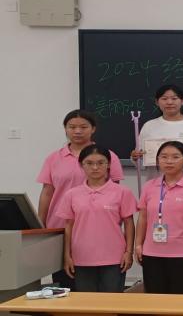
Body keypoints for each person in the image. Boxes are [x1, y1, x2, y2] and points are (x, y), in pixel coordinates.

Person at [37, 110, 124, 289]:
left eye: (83, 127)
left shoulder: (107, 156)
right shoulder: (54, 158)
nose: (77, 131)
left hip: (97, 229)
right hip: (60, 227)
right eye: (72, 127)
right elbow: (47, 192)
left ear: (93, 129)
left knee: (101, 285)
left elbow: (115, 193)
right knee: (66, 283)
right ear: (65, 129)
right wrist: (40, 224)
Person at [57, 145, 137, 292]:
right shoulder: (72, 194)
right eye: (89, 163)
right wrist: (67, 255)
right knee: (86, 301)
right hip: (81, 257)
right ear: (81, 165)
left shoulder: (122, 192)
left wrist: (128, 252)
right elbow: (68, 226)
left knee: (111, 301)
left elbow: (129, 223)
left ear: (109, 164)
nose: (95, 167)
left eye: (101, 163)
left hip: (114, 258)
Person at [134, 141, 183, 294]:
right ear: (157, 160)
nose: (169, 161)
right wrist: (138, 244)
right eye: (164, 157)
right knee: (155, 299)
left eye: (175, 157)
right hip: (152, 253)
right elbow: (143, 217)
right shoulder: (149, 186)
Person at [132, 84, 183, 181]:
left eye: (174, 98)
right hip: (157, 183)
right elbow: (141, 161)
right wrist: (136, 158)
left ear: (182, 101)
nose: (169, 102)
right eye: (164, 99)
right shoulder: (149, 126)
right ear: (157, 102)